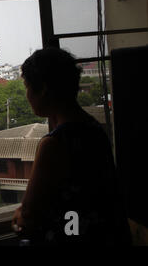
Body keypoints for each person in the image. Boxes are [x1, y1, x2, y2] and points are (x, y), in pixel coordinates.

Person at [11, 47, 131, 245]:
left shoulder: (55, 143)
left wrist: (20, 217)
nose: (26, 94)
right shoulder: (94, 128)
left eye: (27, 86)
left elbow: (27, 215)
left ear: (43, 90)